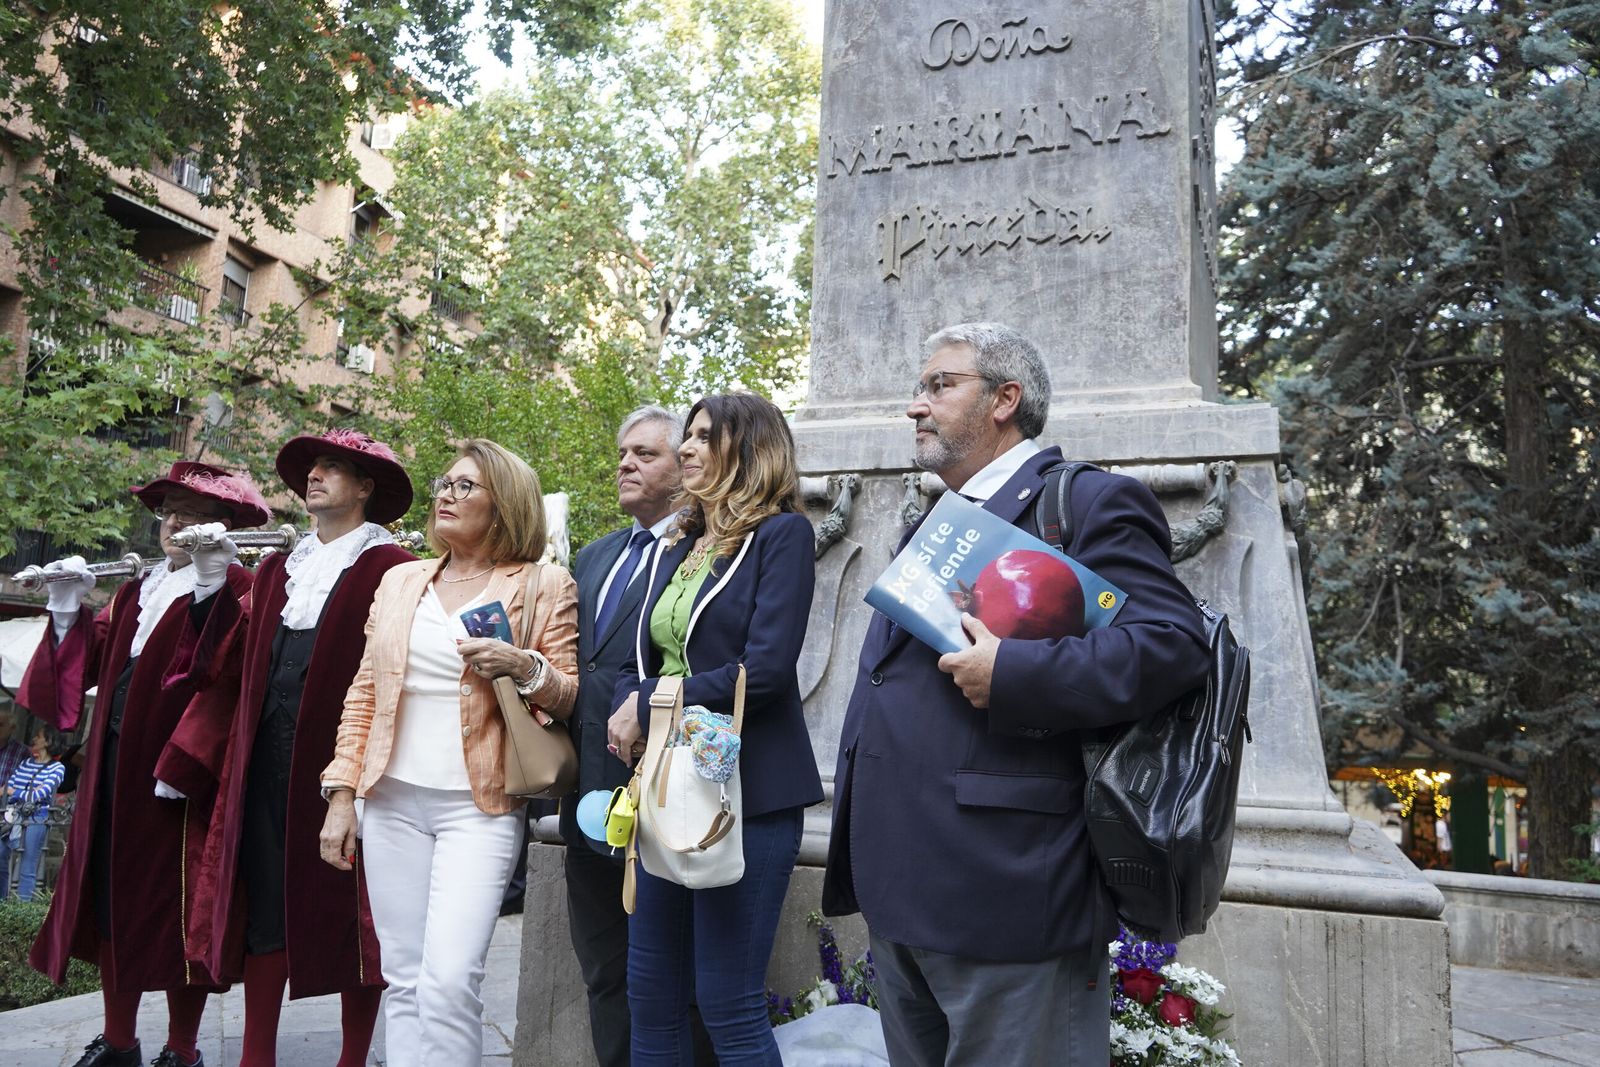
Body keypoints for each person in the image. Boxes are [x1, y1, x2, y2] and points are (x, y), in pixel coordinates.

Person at [821, 322, 1212, 1067]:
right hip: (904, 892)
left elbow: (1173, 644)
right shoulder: (937, 523)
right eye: (919, 387)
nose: (916, 405)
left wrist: (1015, 675)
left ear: (1006, 398)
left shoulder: (1090, 502)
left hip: (1007, 895)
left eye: (939, 385)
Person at [318, 439, 579, 1067]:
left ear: (506, 504)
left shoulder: (544, 584)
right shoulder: (401, 579)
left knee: (450, 981)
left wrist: (524, 665)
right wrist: (342, 795)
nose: (446, 495)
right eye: (446, 482)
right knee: (403, 980)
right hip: (391, 801)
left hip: (478, 807)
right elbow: (363, 694)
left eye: (466, 487)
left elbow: (568, 694)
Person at [165, 430, 415, 1067]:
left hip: (347, 766)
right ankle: (256, 1056)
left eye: (334, 468)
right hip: (267, 760)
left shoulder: (394, 568)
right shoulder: (281, 567)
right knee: (265, 901)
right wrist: (210, 580)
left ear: (365, 489)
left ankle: (354, 1058)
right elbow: (222, 660)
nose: (316, 476)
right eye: (312, 468)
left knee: (357, 913)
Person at [19, 461, 270, 1067]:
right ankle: (120, 1040)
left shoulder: (241, 586)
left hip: (182, 776)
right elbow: (90, 669)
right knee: (111, 901)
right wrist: (66, 607)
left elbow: (230, 683)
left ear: (224, 525)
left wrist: (187, 762)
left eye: (193, 512)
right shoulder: (139, 587)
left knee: (185, 911)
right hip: (114, 769)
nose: (176, 523)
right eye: (170, 511)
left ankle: (182, 1050)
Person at [607, 392, 823, 1066]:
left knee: (727, 1000)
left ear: (748, 449)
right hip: (666, 789)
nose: (687, 448)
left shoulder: (783, 536)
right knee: (650, 994)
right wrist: (631, 698)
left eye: (704, 436)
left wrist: (650, 701)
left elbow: (762, 672)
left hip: (747, 796)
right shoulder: (683, 542)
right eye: (688, 435)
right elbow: (645, 655)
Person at [561, 405, 696, 1067]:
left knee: (670, 981)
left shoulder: (706, 554)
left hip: (659, 800)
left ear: (685, 466)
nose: (626, 464)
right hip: (585, 800)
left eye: (645, 453)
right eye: (622, 453)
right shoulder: (595, 555)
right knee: (603, 972)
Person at [2, 725, 67, 901]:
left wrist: (13, 791)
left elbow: (38, 795)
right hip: (13, 815)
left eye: (38, 736)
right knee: (1, 857)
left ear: (48, 741)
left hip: (37, 816)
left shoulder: (57, 768)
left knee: (28, 865)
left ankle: (22, 908)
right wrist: (17, 791)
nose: (34, 739)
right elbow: (8, 787)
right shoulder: (26, 763)